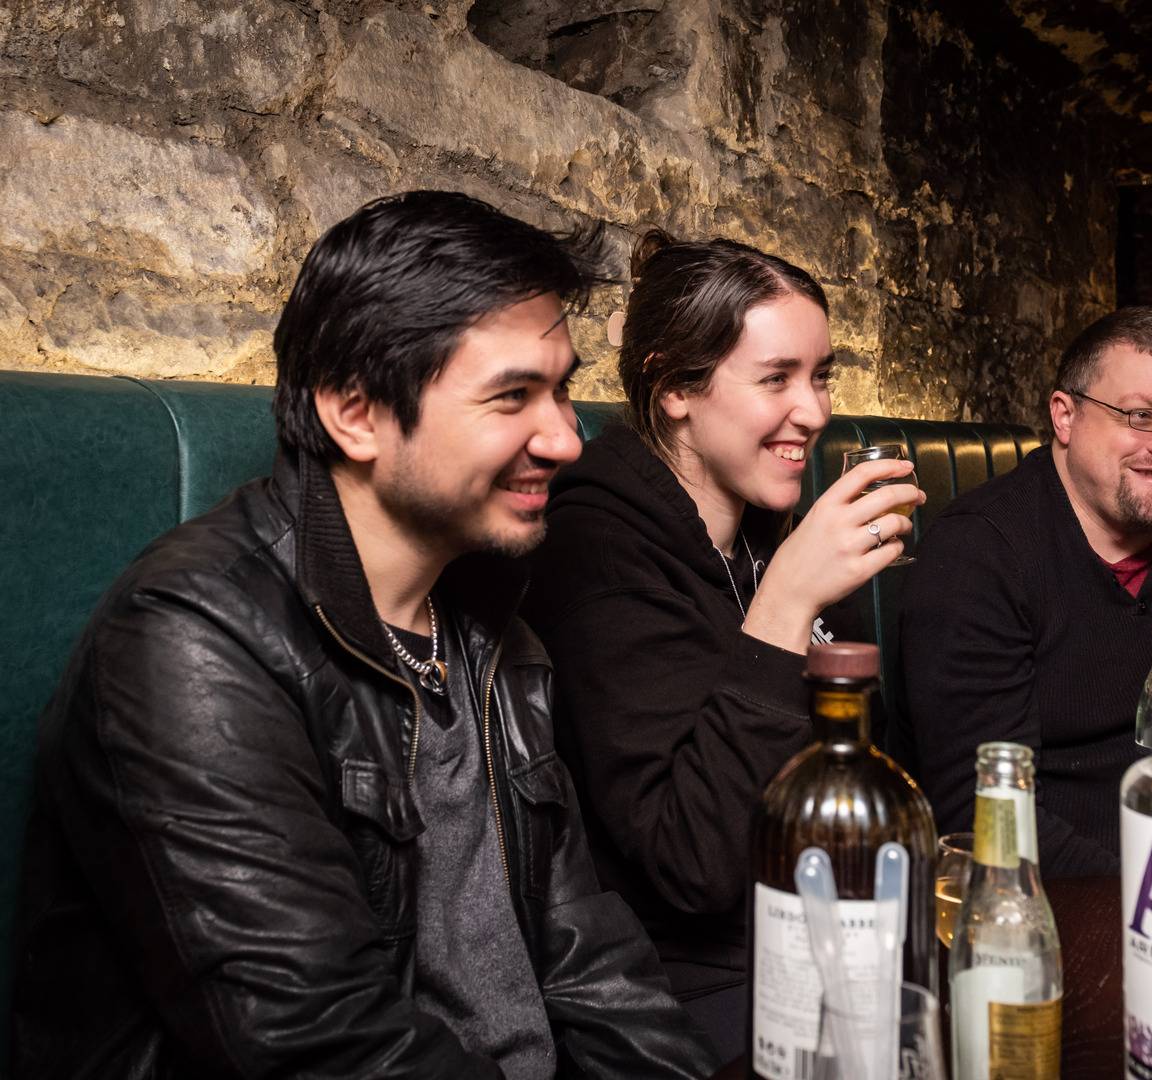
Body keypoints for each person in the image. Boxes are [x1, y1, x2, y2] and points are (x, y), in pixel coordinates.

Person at [11, 191, 717, 1079]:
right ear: (354, 412)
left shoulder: (493, 626)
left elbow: (595, 967)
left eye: (564, 387)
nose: (568, 438)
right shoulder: (192, 644)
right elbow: (326, 1047)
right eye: (513, 397)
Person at [524, 231, 922, 1058]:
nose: (812, 411)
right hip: (690, 996)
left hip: (825, 934)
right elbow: (691, 864)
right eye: (776, 377)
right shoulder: (597, 544)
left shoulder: (764, 533)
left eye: (820, 376)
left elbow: (848, 767)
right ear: (674, 386)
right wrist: (786, 606)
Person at [896, 306, 1152, 878]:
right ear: (1065, 416)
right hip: (1052, 898)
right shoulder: (979, 554)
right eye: (1141, 416)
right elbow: (985, 811)